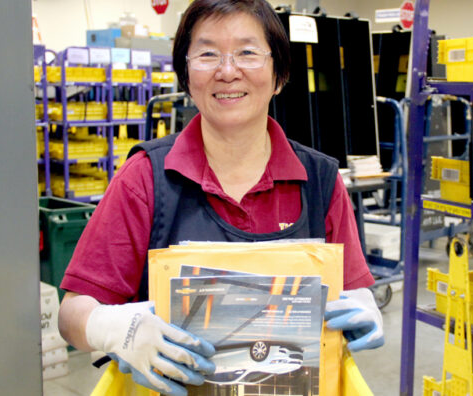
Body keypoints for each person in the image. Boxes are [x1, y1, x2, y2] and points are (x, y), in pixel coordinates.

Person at [57, 1, 383, 395]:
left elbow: (353, 288)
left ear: (279, 75)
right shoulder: (144, 178)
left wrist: (364, 304)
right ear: (186, 75)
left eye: (247, 52)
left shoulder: (319, 181)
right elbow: (71, 313)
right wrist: (114, 330)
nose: (228, 72)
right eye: (208, 54)